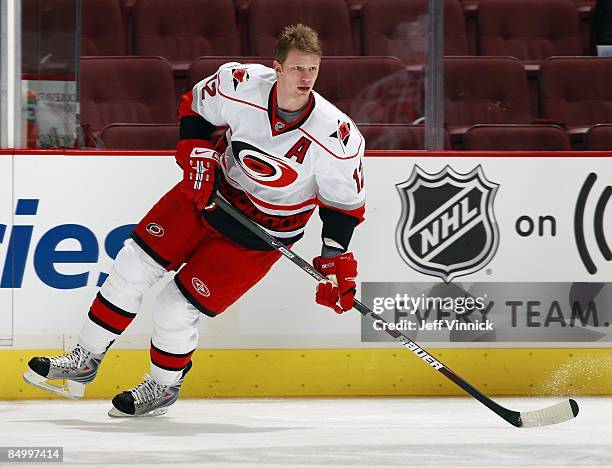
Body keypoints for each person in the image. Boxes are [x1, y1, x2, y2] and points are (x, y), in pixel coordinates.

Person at [23, 24, 366, 417]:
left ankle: (163, 387)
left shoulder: (336, 135)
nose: (306, 78)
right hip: (209, 198)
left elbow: (343, 207)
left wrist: (333, 261)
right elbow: (195, 108)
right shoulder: (241, 84)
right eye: (297, 69)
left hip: (262, 234)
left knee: (175, 307)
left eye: (313, 69)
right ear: (277, 67)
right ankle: (84, 359)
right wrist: (198, 153)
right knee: (132, 266)